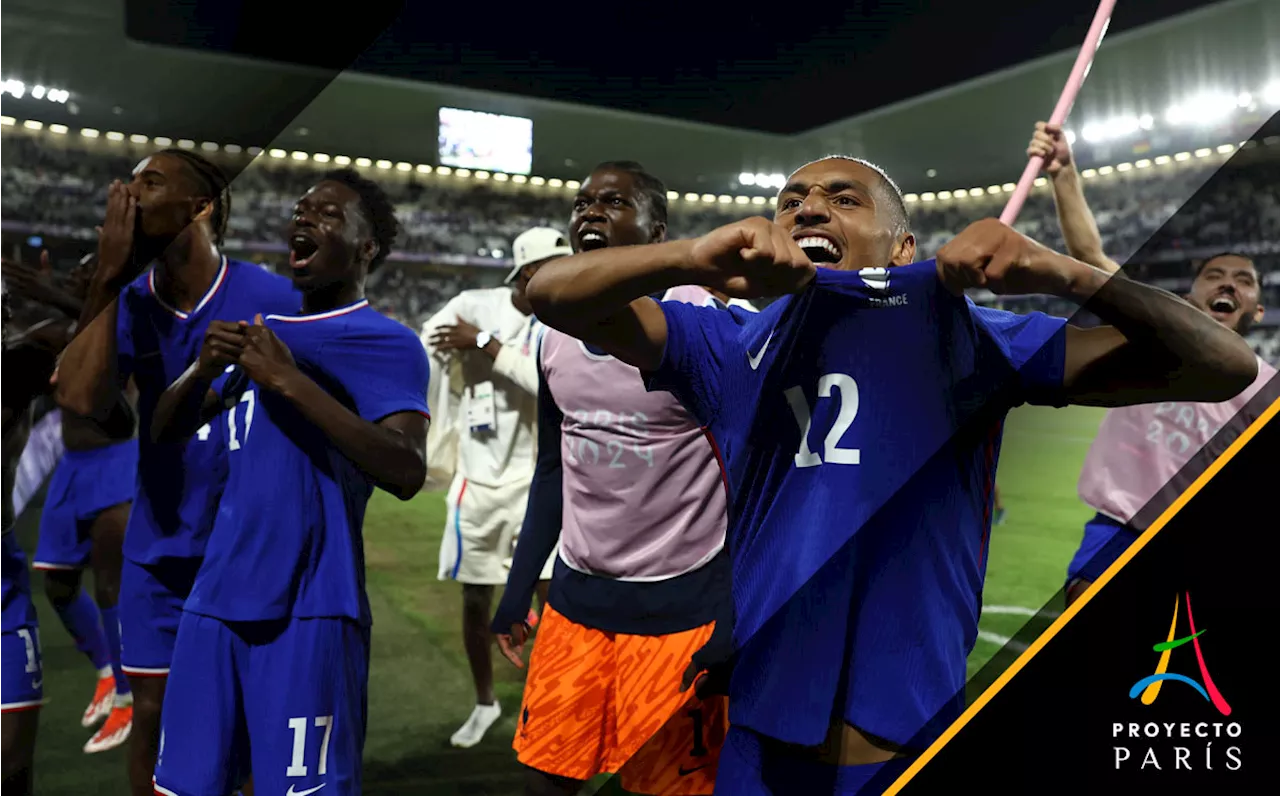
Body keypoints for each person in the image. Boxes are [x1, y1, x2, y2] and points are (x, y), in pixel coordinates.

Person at [523, 154, 1257, 794]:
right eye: (792, 200)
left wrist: (1057, 271)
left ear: (903, 247)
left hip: (903, 742)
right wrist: (690, 259)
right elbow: (548, 293)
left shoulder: (973, 337)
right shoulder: (722, 341)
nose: (808, 206)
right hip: (757, 743)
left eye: (845, 198)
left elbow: (1224, 365)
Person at [148, 169, 429, 796]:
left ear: (367, 248)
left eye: (329, 214)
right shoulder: (258, 331)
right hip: (213, 601)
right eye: (302, 211)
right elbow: (164, 434)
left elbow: (407, 470)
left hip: (312, 608)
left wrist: (288, 381)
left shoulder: (386, 342)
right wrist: (199, 372)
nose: (305, 220)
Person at [54, 149, 300, 795]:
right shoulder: (129, 298)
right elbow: (81, 400)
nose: (128, 193)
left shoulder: (274, 296)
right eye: (129, 180)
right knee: (156, 720)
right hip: (159, 547)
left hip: (247, 551)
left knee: (246, 728)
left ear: (201, 207)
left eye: (150, 181)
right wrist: (108, 277)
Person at [491, 161, 731, 796]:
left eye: (613, 202)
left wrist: (735, 614)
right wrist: (519, 589)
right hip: (577, 604)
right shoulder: (549, 335)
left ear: (657, 232)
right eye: (581, 203)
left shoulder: (709, 322)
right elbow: (552, 470)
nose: (588, 212)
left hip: (681, 607)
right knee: (543, 780)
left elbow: (755, 480)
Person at [1028, 121, 1279, 607]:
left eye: (1243, 281)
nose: (1227, 284)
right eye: (1214, 275)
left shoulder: (1267, 391)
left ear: (1259, 310)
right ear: (1190, 295)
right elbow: (1089, 256)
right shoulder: (1153, 337)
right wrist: (1062, 172)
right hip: (1118, 531)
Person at [421, 226, 562, 749]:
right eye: (552, 265)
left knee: (556, 602)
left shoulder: (563, 319)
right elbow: (429, 345)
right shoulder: (472, 303)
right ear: (527, 273)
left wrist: (481, 343)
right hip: (477, 479)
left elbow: (543, 381)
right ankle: (485, 703)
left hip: (537, 481)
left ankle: (551, 701)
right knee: (475, 600)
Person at [4, 251, 138, 752]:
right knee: (57, 582)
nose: (78, 272)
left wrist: (53, 293)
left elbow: (92, 340)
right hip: (73, 464)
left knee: (109, 586)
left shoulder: (117, 322)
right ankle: (107, 671)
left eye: (88, 270)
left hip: (113, 463)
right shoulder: (65, 322)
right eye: (76, 268)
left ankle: (126, 700)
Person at [0, 287, 77, 791]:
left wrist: (78, 296)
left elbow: (92, 341)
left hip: (1, 584)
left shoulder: (21, 365)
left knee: (11, 767)